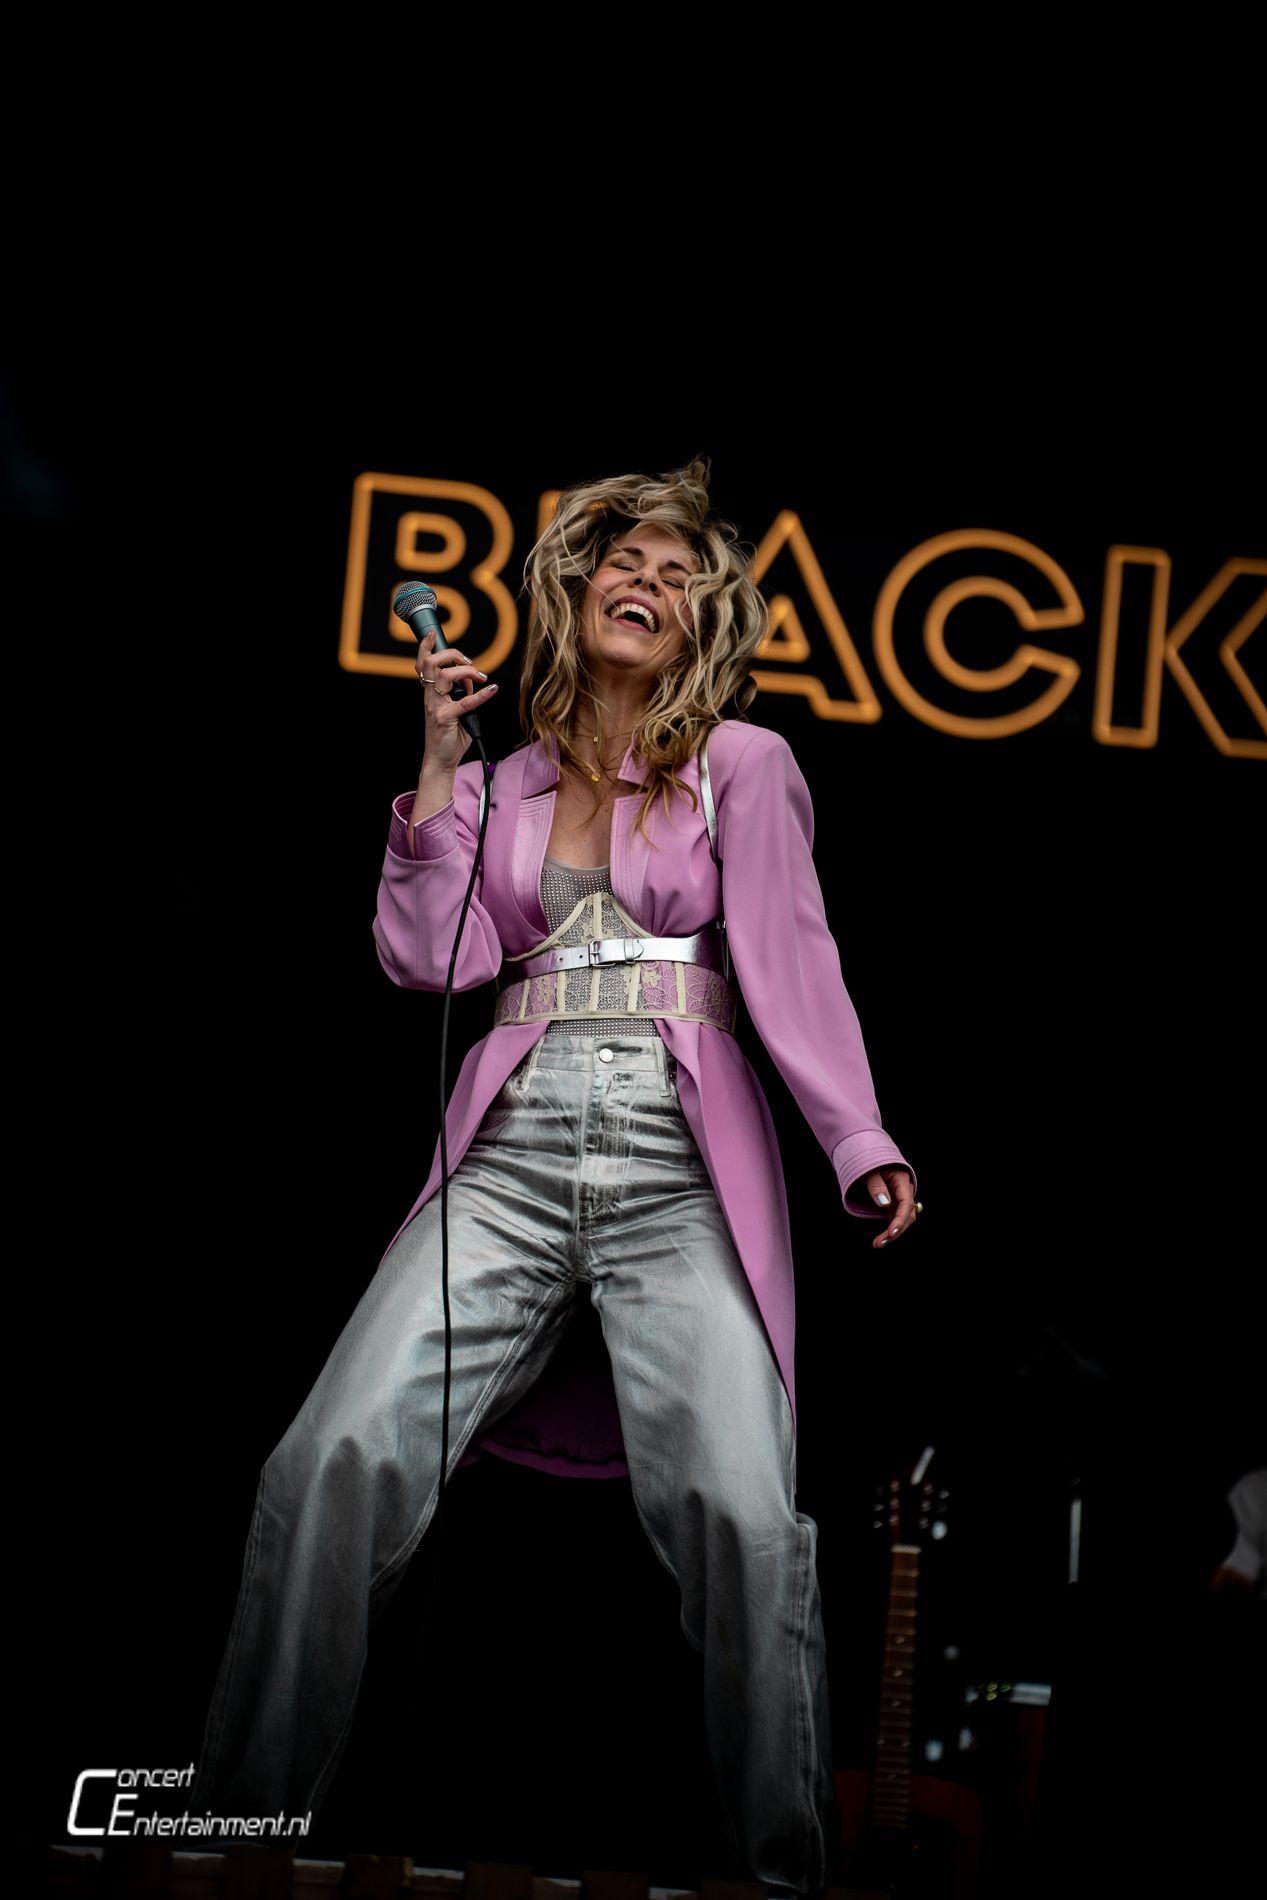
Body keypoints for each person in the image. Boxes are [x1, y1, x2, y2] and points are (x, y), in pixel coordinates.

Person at [192, 457, 920, 1894]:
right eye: (624, 562)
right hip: (514, 1156)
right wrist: (437, 775)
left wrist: (859, 1136)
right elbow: (431, 961)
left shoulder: (742, 764)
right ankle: (230, 1836)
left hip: (672, 1158)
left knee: (745, 1517)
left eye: (676, 575)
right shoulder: (503, 778)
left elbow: (794, 961)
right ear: (577, 589)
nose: (646, 583)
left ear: (700, 620)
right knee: (326, 1461)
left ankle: (786, 1875)